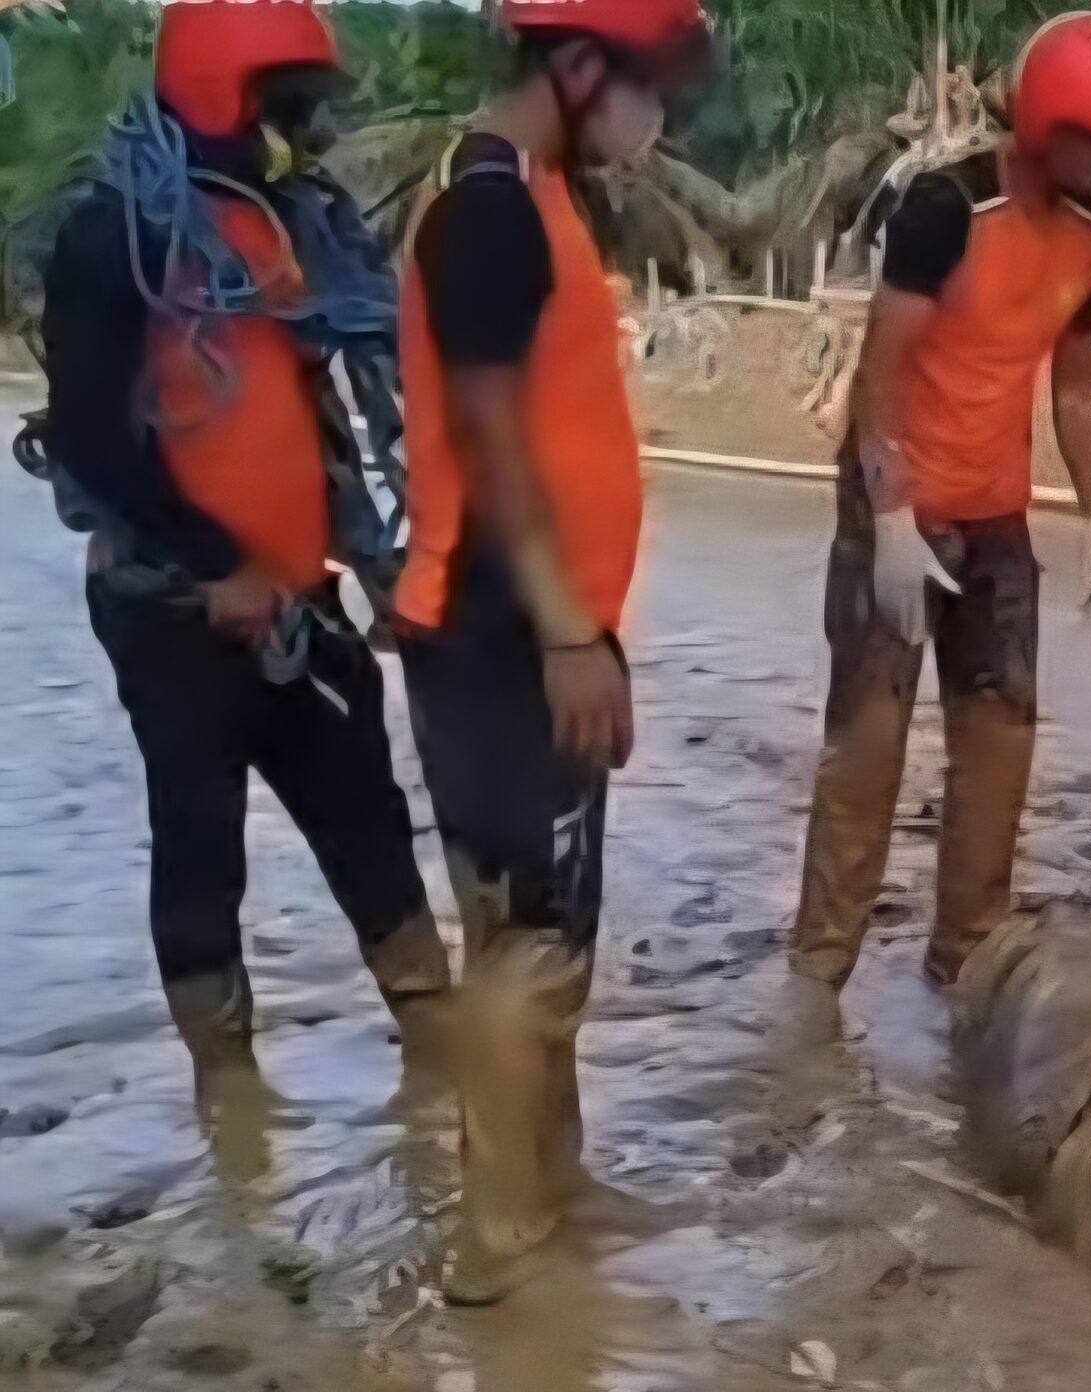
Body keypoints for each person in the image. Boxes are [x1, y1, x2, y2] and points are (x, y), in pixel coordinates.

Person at [35, 0, 445, 1123]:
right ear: (226, 92)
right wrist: (216, 562)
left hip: (300, 599)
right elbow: (92, 436)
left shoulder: (292, 225)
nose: (302, 127)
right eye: (285, 101)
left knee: (368, 819)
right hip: (173, 604)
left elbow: (331, 410)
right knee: (201, 840)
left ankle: (445, 1076)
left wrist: (380, 567)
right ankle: (233, 1110)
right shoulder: (112, 236)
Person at [392, 0, 708, 1303]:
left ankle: (547, 1185)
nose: (653, 115)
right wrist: (571, 631)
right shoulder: (490, 209)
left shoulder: (525, 193)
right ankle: (503, 1239)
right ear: (578, 66)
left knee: (529, 930)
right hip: (506, 628)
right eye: (643, 83)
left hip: (512, 621)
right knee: (535, 947)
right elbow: (491, 436)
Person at [791, 12, 1091, 992]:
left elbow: (1075, 383)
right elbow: (880, 372)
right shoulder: (946, 206)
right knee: (869, 738)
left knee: (1001, 729)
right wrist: (889, 518)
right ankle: (819, 973)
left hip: (995, 511)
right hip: (897, 495)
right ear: (1043, 127)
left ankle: (965, 956)